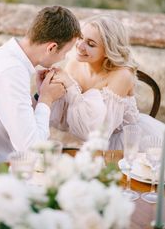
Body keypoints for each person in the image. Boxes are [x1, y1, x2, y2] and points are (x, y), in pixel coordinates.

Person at [0, 5, 81, 180]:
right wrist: (47, 99)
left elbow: (16, 117)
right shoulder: (11, 71)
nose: (64, 58)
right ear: (52, 47)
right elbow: (33, 149)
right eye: (65, 52)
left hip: (3, 165)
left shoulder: (4, 56)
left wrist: (40, 95)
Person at [50, 14, 165, 149]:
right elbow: (63, 117)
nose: (80, 46)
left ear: (108, 50)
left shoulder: (122, 75)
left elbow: (99, 132)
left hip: (127, 143)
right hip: (89, 143)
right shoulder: (74, 63)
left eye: (91, 44)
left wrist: (70, 86)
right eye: (81, 37)